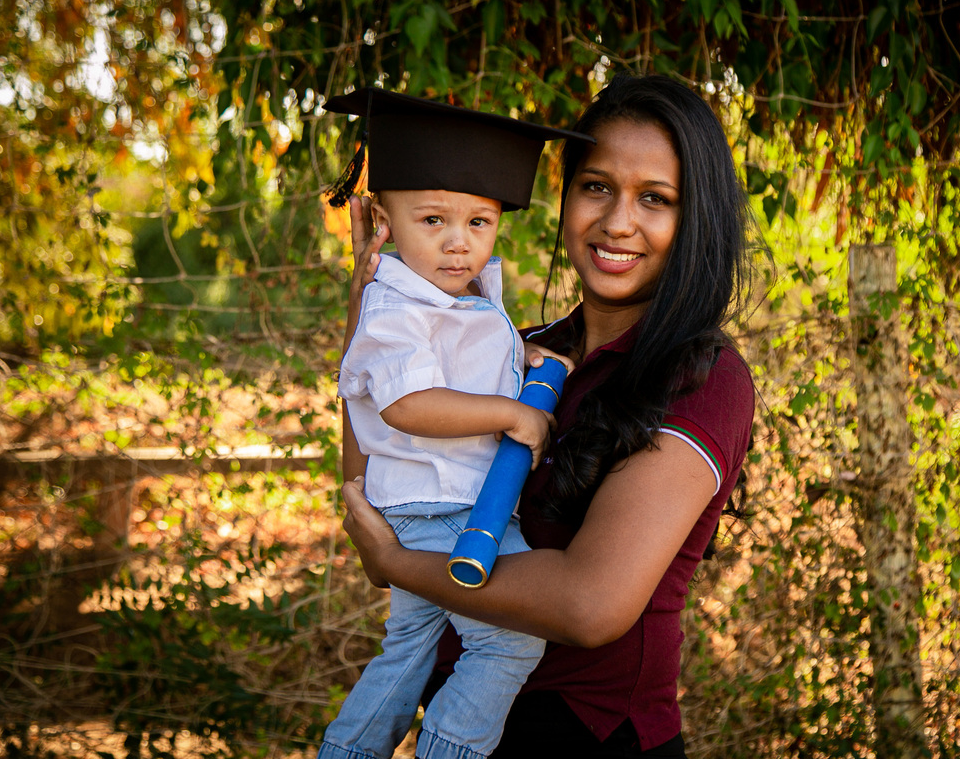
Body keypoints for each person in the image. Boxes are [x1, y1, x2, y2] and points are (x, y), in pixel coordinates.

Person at [339, 73, 756, 757]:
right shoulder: (516, 352)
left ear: (695, 219)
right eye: (596, 186)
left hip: (588, 738)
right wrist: (375, 313)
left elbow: (588, 605)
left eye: (655, 198)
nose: (616, 221)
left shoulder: (701, 380)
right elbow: (378, 493)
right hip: (456, 724)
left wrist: (397, 559)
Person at [319, 88, 591, 759]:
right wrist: (512, 413)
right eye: (433, 220)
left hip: (432, 503)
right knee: (510, 640)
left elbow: (461, 359)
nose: (457, 242)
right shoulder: (395, 309)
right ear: (384, 221)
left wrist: (519, 355)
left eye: (479, 222)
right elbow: (408, 405)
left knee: (409, 646)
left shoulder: (455, 299)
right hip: (440, 505)